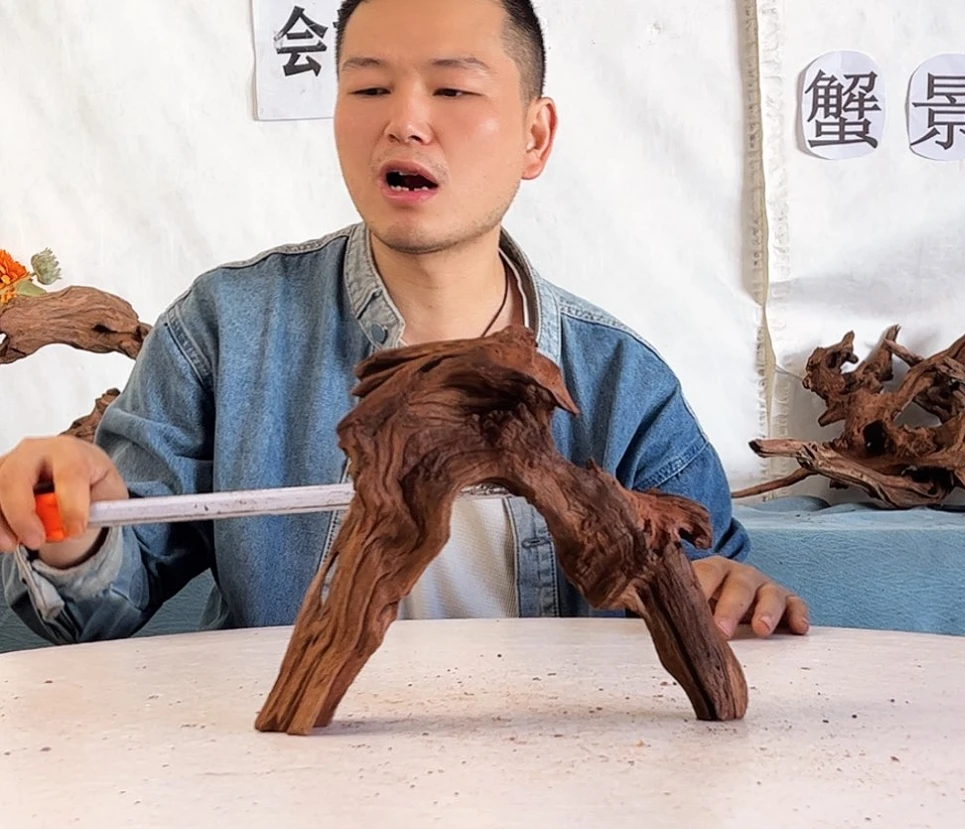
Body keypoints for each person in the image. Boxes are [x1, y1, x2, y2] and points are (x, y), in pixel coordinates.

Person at [0, 0, 808, 644]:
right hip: (291, 778)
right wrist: (70, 525)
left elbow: (714, 581)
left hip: (560, 780)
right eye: (369, 89)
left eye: (452, 90)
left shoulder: (620, 380)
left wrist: (730, 598)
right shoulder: (224, 330)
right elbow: (92, 608)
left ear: (535, 136)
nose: (406, 122)